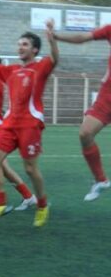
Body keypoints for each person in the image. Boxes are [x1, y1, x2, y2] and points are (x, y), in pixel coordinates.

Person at [0, 22, 58, 227]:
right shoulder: (12, 70)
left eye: (25, 44)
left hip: (30, 124)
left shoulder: (40, 67)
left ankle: (42, 205)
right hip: (9, 123)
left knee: (31, 170)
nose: (20, 47)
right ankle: (0, 203)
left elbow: (55, 59)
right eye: (19, 44)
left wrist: (52, 40)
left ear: (34, 49)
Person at [52, 23, 111, 201]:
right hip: (108, 94)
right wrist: (57, 36)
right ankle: (101, 180)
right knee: (85, 133)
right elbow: (82, 38)